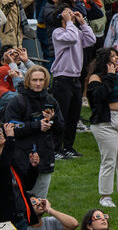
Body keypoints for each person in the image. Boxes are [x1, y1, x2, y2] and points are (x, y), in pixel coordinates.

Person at [87, 47, 118, 207]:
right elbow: (99, 96)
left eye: (117, 57)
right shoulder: (96, 77)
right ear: (105, 61)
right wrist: (109, 76)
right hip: (105, 122)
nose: (116, 59)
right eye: (112, 57)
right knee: (109, 159)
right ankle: (105, 196)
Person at [4, 65, 64, 198]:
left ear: (46, 81)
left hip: (45, 157)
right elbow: (11, 127)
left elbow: (61, 128)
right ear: (28, 81)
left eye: (41, 80)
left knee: (40, 204)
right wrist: (37, 125)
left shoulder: (51, 100)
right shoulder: (17, 101)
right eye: (34, 80)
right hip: (22, 158)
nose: (38, 83)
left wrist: (51, 122)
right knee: (19, 201)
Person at [51, 5, 97, 158]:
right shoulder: (58, 33)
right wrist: (69, 22)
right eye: (68, 14)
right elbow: (70, 39)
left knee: (73, 115)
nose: (71, 16)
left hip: (75, 79)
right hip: (62, 78)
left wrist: (82, 23)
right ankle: (56, 148)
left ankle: (68, 147)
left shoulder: (75, 31)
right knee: (60, 115)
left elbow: (91, 40)